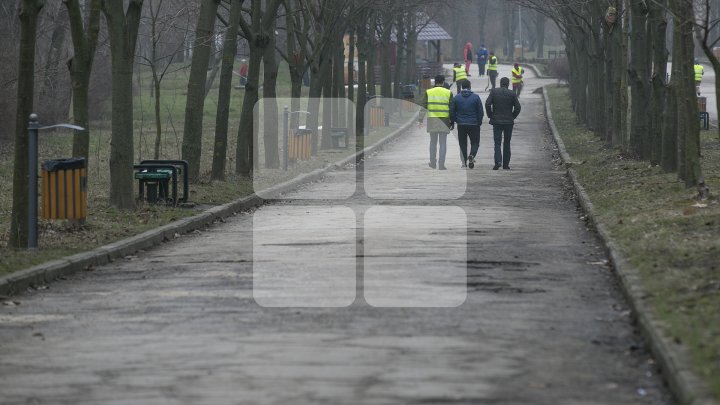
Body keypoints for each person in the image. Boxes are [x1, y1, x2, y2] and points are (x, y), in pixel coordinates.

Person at [485, 77, 521, 170]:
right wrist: (512, 116)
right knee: (507, 143)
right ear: (508, 84)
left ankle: (498, 162)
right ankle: (506, 165)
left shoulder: (494, 91)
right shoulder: (512, 93)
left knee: (497, 142)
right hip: (509, 122)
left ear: (500, 83)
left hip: (496, 121)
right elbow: (518, 107)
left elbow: (488, 104)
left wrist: (490, 115)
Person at [419, 75, 454, 170]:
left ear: (435, 82)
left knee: (433, 142)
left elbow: (424, 106)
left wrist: (420, 119)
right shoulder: (448, 92)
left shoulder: (429, 92)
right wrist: (452, 121)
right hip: (444, 120)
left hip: (432, 120)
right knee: (443, 143)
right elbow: (452, 109)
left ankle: (433, 163)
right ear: (443, 82)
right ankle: (441, 164)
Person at [450, 80, 484, 169]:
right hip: (474, 124)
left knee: (462, 143)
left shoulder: (456, 98)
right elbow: (480, 111)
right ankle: (472, 155)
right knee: (475, 142)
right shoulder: (476, 97)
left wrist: (455, 121)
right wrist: (479, 122)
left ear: (461, 87)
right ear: (470, 86)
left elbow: (452, 112)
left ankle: (464, 162)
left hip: (461, 124)